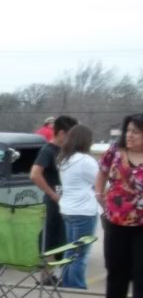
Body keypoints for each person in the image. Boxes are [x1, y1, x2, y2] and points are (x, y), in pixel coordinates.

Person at [96, 113, 143, 298]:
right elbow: (102, 172)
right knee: (115, 267)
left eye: (136, 131)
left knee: (140, 270)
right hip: (116, 219)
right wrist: (99, 193)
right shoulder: (115, 151)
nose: (130, 135)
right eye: (129, 131)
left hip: (141, 223)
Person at [31, 115, 78, 266]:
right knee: (48, 240)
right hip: (53, 204)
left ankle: (60, 274)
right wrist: (52, 194)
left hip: (69, 204)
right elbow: (35, 174)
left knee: (64, 241)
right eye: (72, 135)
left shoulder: (69, 151)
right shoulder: (48, 151)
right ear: (62, 133)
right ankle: (48, 276)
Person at [57, 124, 99, 289]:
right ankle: (76, 285)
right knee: (81, 252)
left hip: (68, 208)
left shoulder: (64, 159)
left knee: (71, 249)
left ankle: (67, 282)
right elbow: (101, 183)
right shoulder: (86, 161)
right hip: (84, 211)